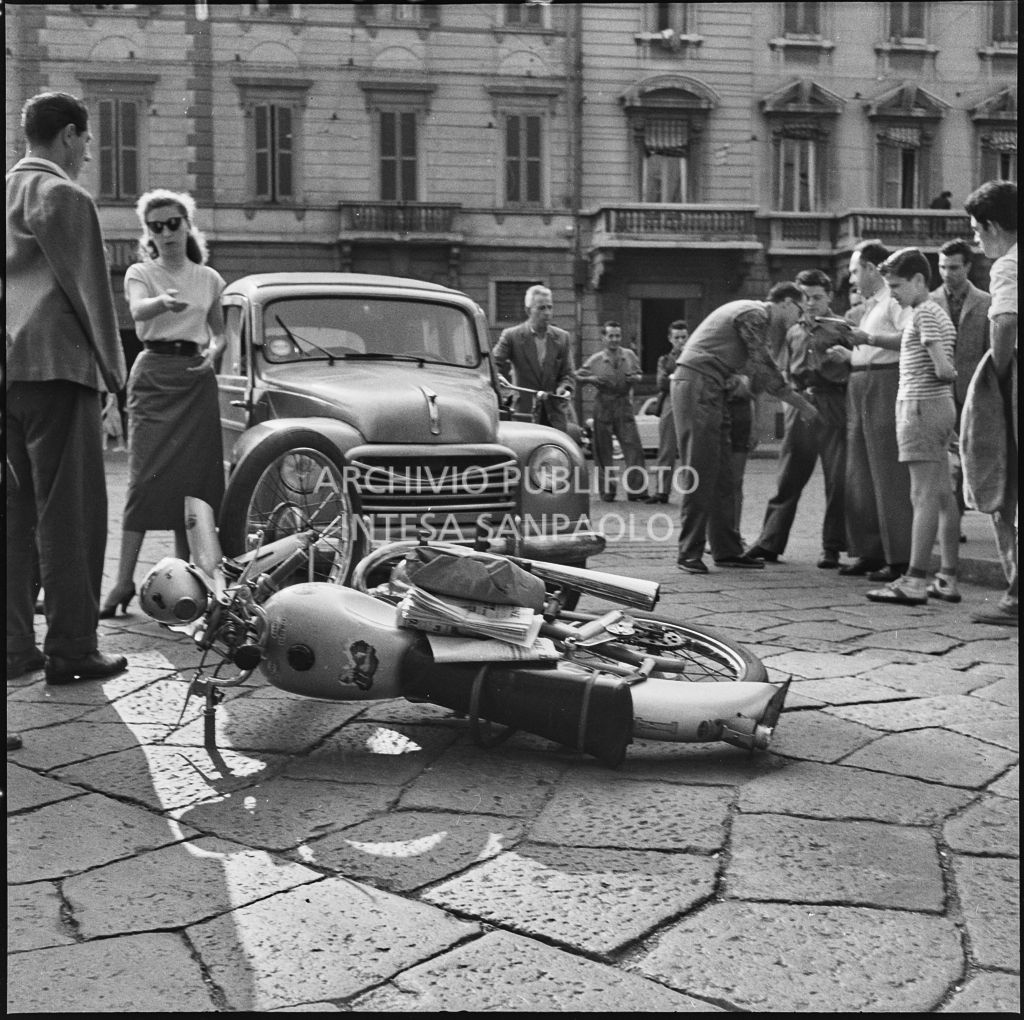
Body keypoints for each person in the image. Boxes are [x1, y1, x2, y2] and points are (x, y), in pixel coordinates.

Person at [6, 91, 128, 684]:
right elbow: (89, 293)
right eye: (85, 141)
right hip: (58, 368)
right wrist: (115, 375)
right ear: (70, 136)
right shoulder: (65, 197)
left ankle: (12, 646)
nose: (86, 153)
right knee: (70, 514)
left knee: (12, 512)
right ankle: (73, 647)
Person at [100, 189, 227, 617]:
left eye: (174, 223)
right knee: (143, 481)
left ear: (188, 225)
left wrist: (214, 353)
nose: (167, 232)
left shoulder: (209, 279)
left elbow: (220, 332)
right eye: (157, 226)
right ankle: (121, 583)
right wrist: (163, 302)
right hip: (154, 375)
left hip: (195, 379)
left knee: (193, 484)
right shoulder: (140, 271)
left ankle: (185, 578)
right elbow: (137, 312)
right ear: (147, 232)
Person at [671, 283, 820, 574]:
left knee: (723, 474)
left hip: (712, 387)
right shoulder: (755, 314)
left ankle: (726, 549)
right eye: (799, 311)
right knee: (701, 469)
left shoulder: (752, 314)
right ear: (787, 303)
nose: (799, 319)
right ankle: (688, 552)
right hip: (698, 384)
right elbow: (761, 369)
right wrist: (802, 405)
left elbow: (756, 370)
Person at [866, 248, 960, 606]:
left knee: (921, 496)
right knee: (940, 495)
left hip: (919, 406)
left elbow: (942, 369)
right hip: (935, 407)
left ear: (920, 280)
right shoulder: (936, 311)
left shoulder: (924, 315)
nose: (893, 293)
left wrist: (945, 373)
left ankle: (914, 580)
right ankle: (947, 577)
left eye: (897, 286)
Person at [747, 269, 851, 568]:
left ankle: (832, 547)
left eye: (817, 297)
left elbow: (856, 367)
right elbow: (786, 371)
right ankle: (769, 542)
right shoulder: (794, 331)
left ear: (829, 296)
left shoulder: (843, 328)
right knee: (788, 475)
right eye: (805, 297)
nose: (811, 303)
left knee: (837, 479)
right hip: (800, 402)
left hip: (833, 403)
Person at [830, 240, 914, 581]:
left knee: (887, 472)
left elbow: (910, 335)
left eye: (854, 269)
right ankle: (869, 550)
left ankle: (898, 557)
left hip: (883, 382)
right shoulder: (869, 306)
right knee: (860, 473)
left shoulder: (893, 301)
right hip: (861, 380)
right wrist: (849, 353)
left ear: (869, 268)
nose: (852, 277)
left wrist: (867, 339)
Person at [961, 180, 1018, 627]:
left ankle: (1016, 594)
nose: (976, 242)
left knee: (1004, 485)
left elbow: (1003, 325)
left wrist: (996, 381)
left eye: (977, 232)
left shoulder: (1008, 266)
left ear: (994, 226)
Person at [930, 238, 991, 516]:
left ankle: (960, 509)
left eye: (953, 267)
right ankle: (948, 515)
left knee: (967, 450)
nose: (947, 273)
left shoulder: (985, 302)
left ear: (967, 266)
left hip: (970, 388)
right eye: (943, 267)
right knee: (940, 453)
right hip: (936, 388)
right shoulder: (929, 302)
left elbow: (990, 349)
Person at [576, 320, 646, 501]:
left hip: (623, 404)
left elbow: (639, 374)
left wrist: (635, 378)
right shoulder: (595, 360)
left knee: (633, 448)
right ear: (603, 338)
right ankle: (608, 491)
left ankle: (637, 490)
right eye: (611, 336)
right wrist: (592, 379)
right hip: (603, 405)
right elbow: (577, 376)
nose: (615, 339)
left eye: (617, 336)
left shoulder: (629, 355)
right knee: (603, 450)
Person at [492, 284, 576, 433]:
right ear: (528, 310)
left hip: (554, 414)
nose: (547, 313)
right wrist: (503, 386)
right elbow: (492, 365)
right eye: (541, 308)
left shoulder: (562, 337)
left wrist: (564, 388)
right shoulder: (512, 336)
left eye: (550, 307)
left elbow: (568, 374)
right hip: (524, 412)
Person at [645, 320, 688, 503]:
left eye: (684, 337)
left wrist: (674, 377)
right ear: (670, 339)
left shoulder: (694, 356)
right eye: (677, 337)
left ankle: (692, 492)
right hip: (670, 402)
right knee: (666, 449)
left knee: (690, 449)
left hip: (690, 403)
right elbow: (661, 382)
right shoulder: (664, 360)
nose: (681, 341)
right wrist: (680, 378)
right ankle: (662, 491)